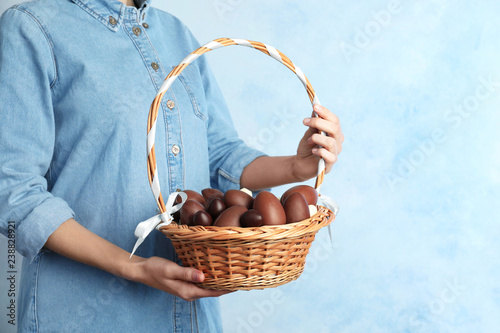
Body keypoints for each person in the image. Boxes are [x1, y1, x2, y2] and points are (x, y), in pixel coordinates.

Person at [0, 0, 343, 331]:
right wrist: (133, 267)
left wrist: (298, 167)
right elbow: (14, 192)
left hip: (192, 313)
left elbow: (219, 153)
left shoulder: (176, 34)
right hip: (87, 314)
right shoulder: (31, 28)